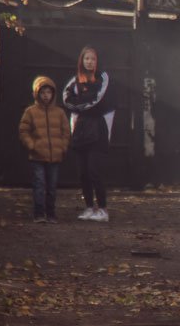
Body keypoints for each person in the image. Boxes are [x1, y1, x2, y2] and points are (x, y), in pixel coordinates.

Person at [63, 45, 114, 222]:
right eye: (86, 58)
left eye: (92, 59)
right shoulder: (75, 80)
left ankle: (103, 210)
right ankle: (89, 208)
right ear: (82, 60)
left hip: (98, 131)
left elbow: (97, 100)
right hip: (80, 131)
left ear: (97, 61)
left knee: (94, 171)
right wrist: (82, 104)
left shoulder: (103, 78)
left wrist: (80, 104)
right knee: (83, 173)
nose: (89, 62)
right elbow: (67, 99)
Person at [19, 76, 71, 224]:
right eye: (42, 92)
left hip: (55, 157)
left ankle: (51, 214)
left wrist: (62, 147)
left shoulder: (59, 112)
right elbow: (23, 131)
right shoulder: (30, 112)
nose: (46, 95)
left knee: (52, 187)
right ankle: (39, 214)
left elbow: (66, 132)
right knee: (39, 185)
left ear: (53, 94)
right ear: (37, 94)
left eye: (49, 92)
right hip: (37, 157)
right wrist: (32, 145)